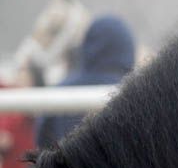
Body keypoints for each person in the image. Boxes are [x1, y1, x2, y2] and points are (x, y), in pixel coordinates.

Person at [34, 14, 135, 148]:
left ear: (88, 43)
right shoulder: (139, 96)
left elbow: (41, 145)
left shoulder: (58, 94)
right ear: (128, 47)